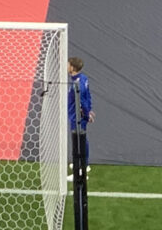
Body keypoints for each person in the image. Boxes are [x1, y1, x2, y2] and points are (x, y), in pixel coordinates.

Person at [69, 57, 94, 226]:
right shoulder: (83, 79)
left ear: (73, 68)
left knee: (79, 141)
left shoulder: (77, 83)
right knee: (81, 140)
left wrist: (86, 113)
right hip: (78, 115)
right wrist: (89, 110)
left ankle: (81, 168)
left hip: (76, 117)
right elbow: (88, 96)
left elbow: (83, 100)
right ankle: (83, 164)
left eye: (68, 65)